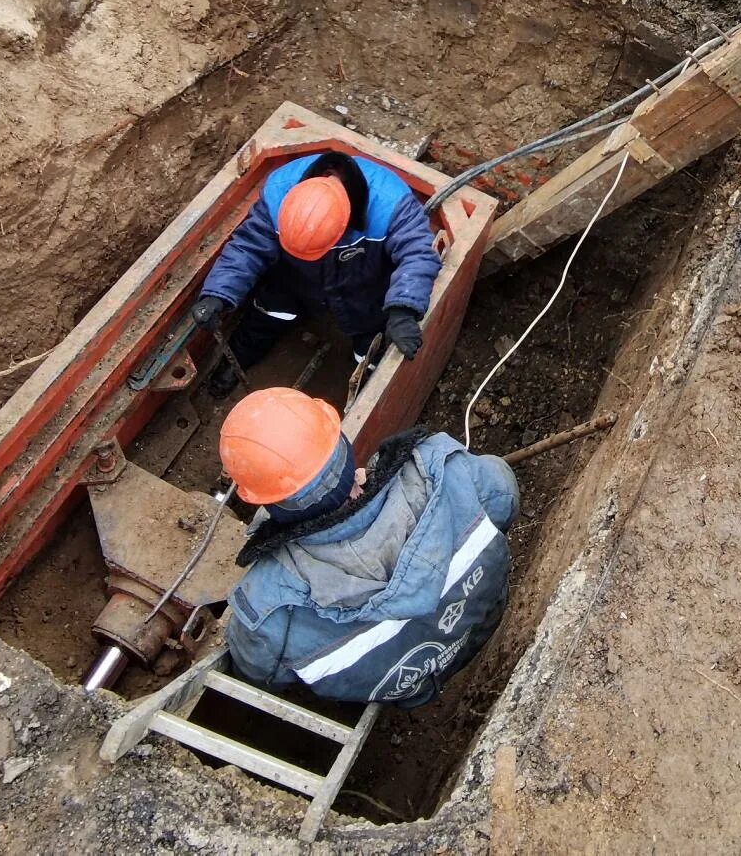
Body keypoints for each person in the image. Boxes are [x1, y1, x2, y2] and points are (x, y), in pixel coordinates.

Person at [219, 388, 519, 705]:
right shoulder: (451, 472)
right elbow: (505, 497)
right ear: (342, 449)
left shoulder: (269, 612)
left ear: (267, 502)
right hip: (484, 622)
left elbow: (257, 672)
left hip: (414, 690)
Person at [191, 150, 444, 396]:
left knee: (371, 342)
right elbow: (248, 247)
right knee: (267, 313)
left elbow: (418, 254)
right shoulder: (279, 191)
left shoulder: (390, 204)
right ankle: (237, 361)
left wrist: (403, 310)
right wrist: (218, 294)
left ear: (344, 224)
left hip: (362, 285)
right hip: (294, 277)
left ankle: (367, 382)